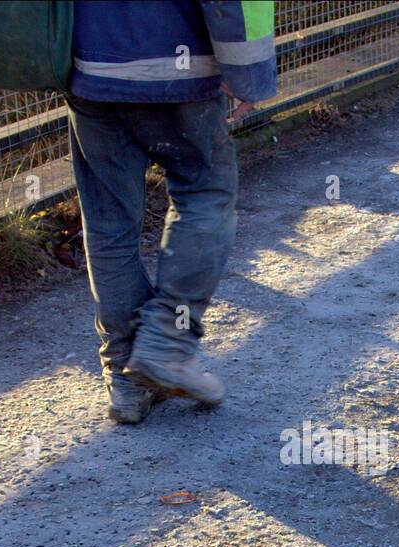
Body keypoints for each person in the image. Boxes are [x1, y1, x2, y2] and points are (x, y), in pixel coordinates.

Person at [66, 0, 278, 423]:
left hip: (91, 69)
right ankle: (166, 345)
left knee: (108, 222)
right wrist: (250, 76)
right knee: (206, 193)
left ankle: (127, 378)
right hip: (180, 74)